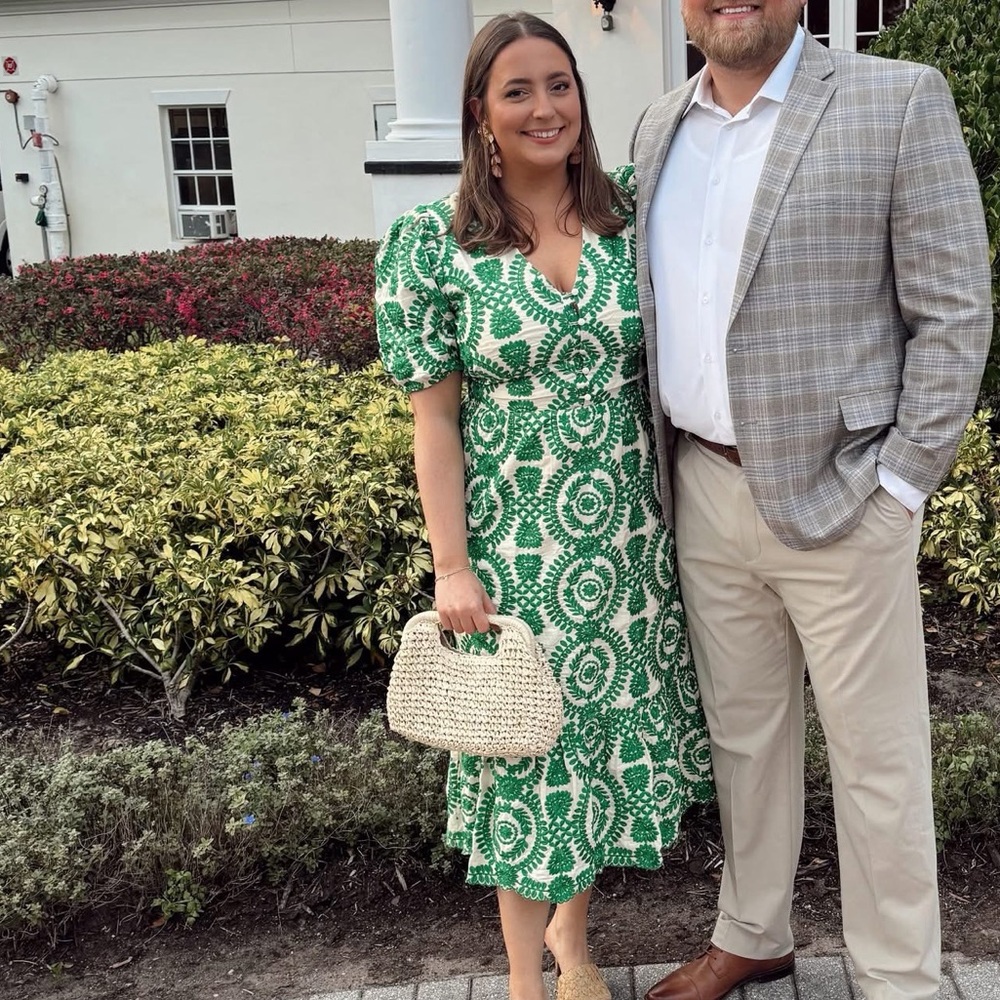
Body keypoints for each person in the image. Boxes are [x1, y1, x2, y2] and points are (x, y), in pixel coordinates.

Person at [630, 3, 993, 1000]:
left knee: (878, 762)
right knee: (744, 739)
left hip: (847, 495)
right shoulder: (659, 125)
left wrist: (901, 484)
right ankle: (753, 931)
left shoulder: (897, 101)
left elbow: (955, 310)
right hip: (704, 485)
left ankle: (899, 978)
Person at [376, 12, 714, 1000]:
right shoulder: (433, 244)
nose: (543, 107)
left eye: (558, 84)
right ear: (479, 113)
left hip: (628, 545)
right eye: (516, 90)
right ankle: (528, 980)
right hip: (517, 550)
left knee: (593, 753)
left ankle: (577, 941)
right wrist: (450, 565)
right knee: (527, 758)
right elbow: (436, 422)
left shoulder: (627, 211)